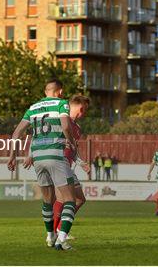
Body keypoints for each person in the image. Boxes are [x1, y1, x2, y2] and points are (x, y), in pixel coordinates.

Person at [7, 78, 78, 251]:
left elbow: (16, 134)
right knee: (70, 199)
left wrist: (12, 156)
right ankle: (62, 240)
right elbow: (66, 126)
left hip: (38, 157)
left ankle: (50, 236)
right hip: (55, 154)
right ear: (60, 91)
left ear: (45, 91)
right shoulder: (62, 103)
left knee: (48, 200)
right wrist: (72, 142)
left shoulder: (32, 108)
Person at [51, 95, 92, 240]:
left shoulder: (77, 128)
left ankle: (59, 229)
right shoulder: (60, 121)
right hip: (58, 164)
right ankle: (55, 233)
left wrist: (81, 163)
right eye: (85, 110)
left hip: (67, 167)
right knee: (64, 199)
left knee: (79, 199)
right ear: (81, 108)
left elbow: (73, 150)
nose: (84, 113)